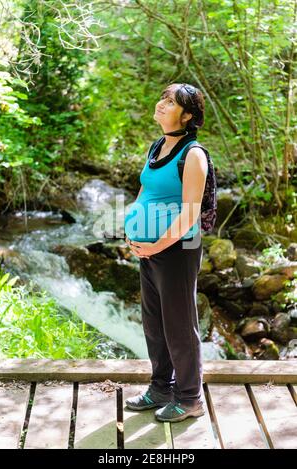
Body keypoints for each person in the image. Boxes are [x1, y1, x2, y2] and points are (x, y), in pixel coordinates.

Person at [123, 83, 208, 423]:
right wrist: (133, 226)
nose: (161, 105)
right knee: (154, 322)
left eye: (170, 102)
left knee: (179, 325)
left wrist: (157, 244)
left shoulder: (194, 154)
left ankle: (189, 398)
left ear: (187, 116)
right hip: (150, 249)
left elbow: (190, 212)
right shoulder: (158, 146)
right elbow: (146, 188)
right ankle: (160, 388)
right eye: (162, 98)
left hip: (178, 249)